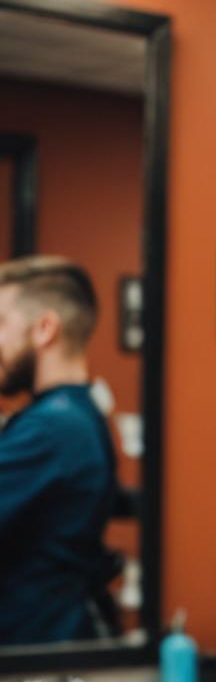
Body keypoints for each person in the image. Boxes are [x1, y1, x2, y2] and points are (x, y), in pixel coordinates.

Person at [0, 256, 119, 645]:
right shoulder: (79, 414)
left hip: (35, 649)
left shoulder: (51, 429)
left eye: (1, 323)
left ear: (45, 328)